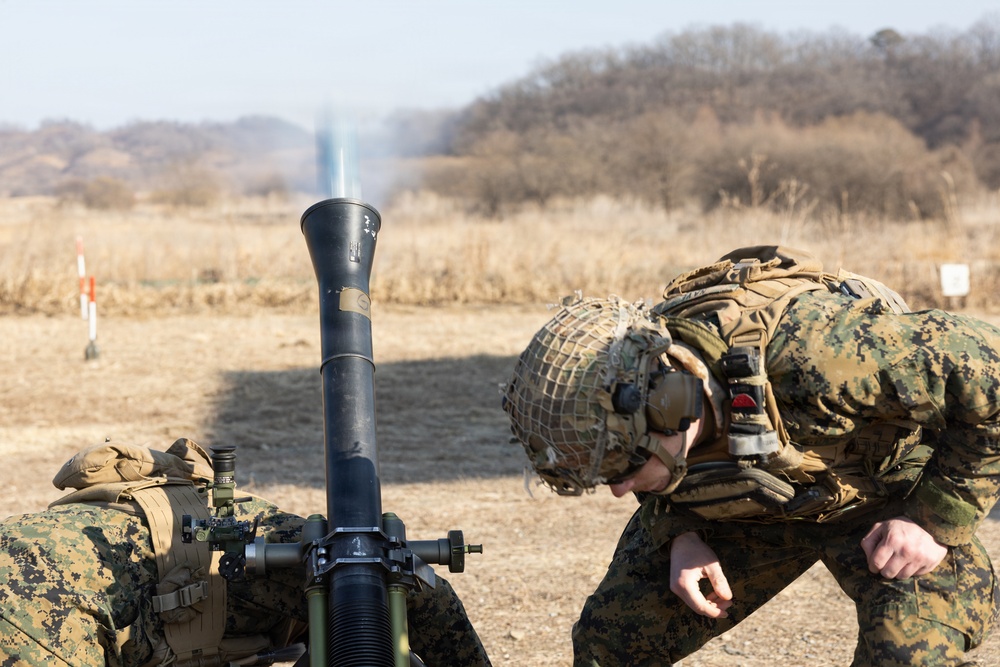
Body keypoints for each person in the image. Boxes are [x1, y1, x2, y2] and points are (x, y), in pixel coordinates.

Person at [503, 246, 1000, 666]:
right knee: (609, 643)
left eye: (624, 469)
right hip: (742, 509)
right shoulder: (638, 379)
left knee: (910, 650)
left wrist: (933, 521)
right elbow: (637, 469)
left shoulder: (822, 354)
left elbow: (991, 376)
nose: (617, 489)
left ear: (673, 412)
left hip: (886, 495)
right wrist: (679, 530)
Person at [0, 438, 491, 667]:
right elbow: (428, 597)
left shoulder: (265, 547)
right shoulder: (266, 546)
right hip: (41, 603)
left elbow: (410, 587)